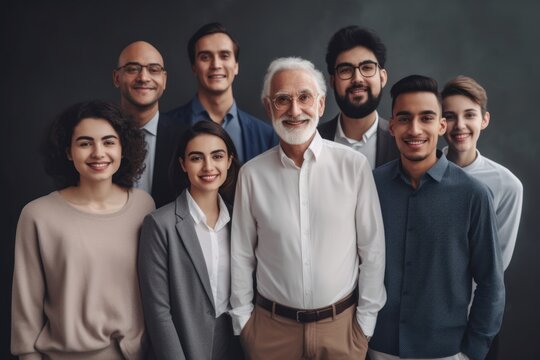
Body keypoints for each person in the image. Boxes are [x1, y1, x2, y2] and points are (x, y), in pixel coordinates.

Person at [230, 57, 386, 360]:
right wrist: (244, 325)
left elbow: (373, 250)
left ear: (321, 104)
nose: (294, 110)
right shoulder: (251, 174)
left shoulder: (353, 166)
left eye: (304, 97)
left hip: (342, 332)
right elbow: (240, 255)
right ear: (268, 107)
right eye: (282, 100)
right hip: (270, 334)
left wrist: (364, 327)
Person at [369, 75, 505, 360]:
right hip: (377, 348)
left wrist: (473, 352)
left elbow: (491, 282)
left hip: (447, 352)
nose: (414, 129)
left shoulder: (474, 195)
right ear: (391, 126)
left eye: (426, 118)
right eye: (404, 118)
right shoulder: (371, 186)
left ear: (441, 125)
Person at [11, 100, 155, 359]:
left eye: (109, 142)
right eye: (85, 143)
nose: (98, 152)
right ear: (68, 151)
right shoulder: (37, 215)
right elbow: (26, 307)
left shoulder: (144, 206)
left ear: (123, 148)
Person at [138, 120, 242, 360]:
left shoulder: (240, 220)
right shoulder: (159, 224)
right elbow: (158, 311)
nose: (208, 166)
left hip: (235, 346)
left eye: (217, 156)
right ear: (183, 164)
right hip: (185, 346)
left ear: (228, 161)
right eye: (196, 158)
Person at [441, 75, 523, 360]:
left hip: (475, 322)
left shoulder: (507, 185)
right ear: (440, 123)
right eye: (449, 116)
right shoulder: (422, 172)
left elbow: (495, 266)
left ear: (484, 120)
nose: (460, 125)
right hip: (424, 321)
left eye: (469, 115)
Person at [166, 22, 278, 164]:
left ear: (236, 66)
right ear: (193, 67)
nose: (216, 65)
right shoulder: (166, 128)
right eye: (205, 57)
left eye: (224, 56)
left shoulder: (266, 135)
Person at [113, 40, 185, 207]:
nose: (144, 78)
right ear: (117, 78)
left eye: (154, 70)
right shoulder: (99, 136)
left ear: (164, 80)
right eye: (132, 69)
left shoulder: (184, 138)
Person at [318, 25, 399, 169]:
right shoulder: (313, 140)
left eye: (367, 68)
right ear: (332, 81)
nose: (357, 79)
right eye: (345, 70)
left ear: (382, 78)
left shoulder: (400, 141)